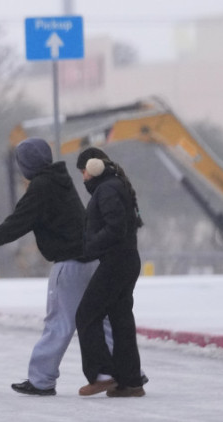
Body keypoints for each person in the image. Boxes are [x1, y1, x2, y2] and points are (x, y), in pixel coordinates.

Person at [0, 137, 98, 396]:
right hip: (92, 260)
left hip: (70, 264)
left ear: (27, 165)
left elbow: (18, 222)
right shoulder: (61, 180)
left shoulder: (42, 186)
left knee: (58, 322)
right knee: (100, 318)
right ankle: (115, 373)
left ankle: (41, 380)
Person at [74, 147, 145, 398]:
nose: (83, 178)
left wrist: (90, 246)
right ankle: (130, 382)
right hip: (126, 260)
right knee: (120, 319)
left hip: (116, 262)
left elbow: (116, 227)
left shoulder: (107, 190)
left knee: (86, 314)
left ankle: (102, 374)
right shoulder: (115, 185)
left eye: (83, 171)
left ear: (93, 168)